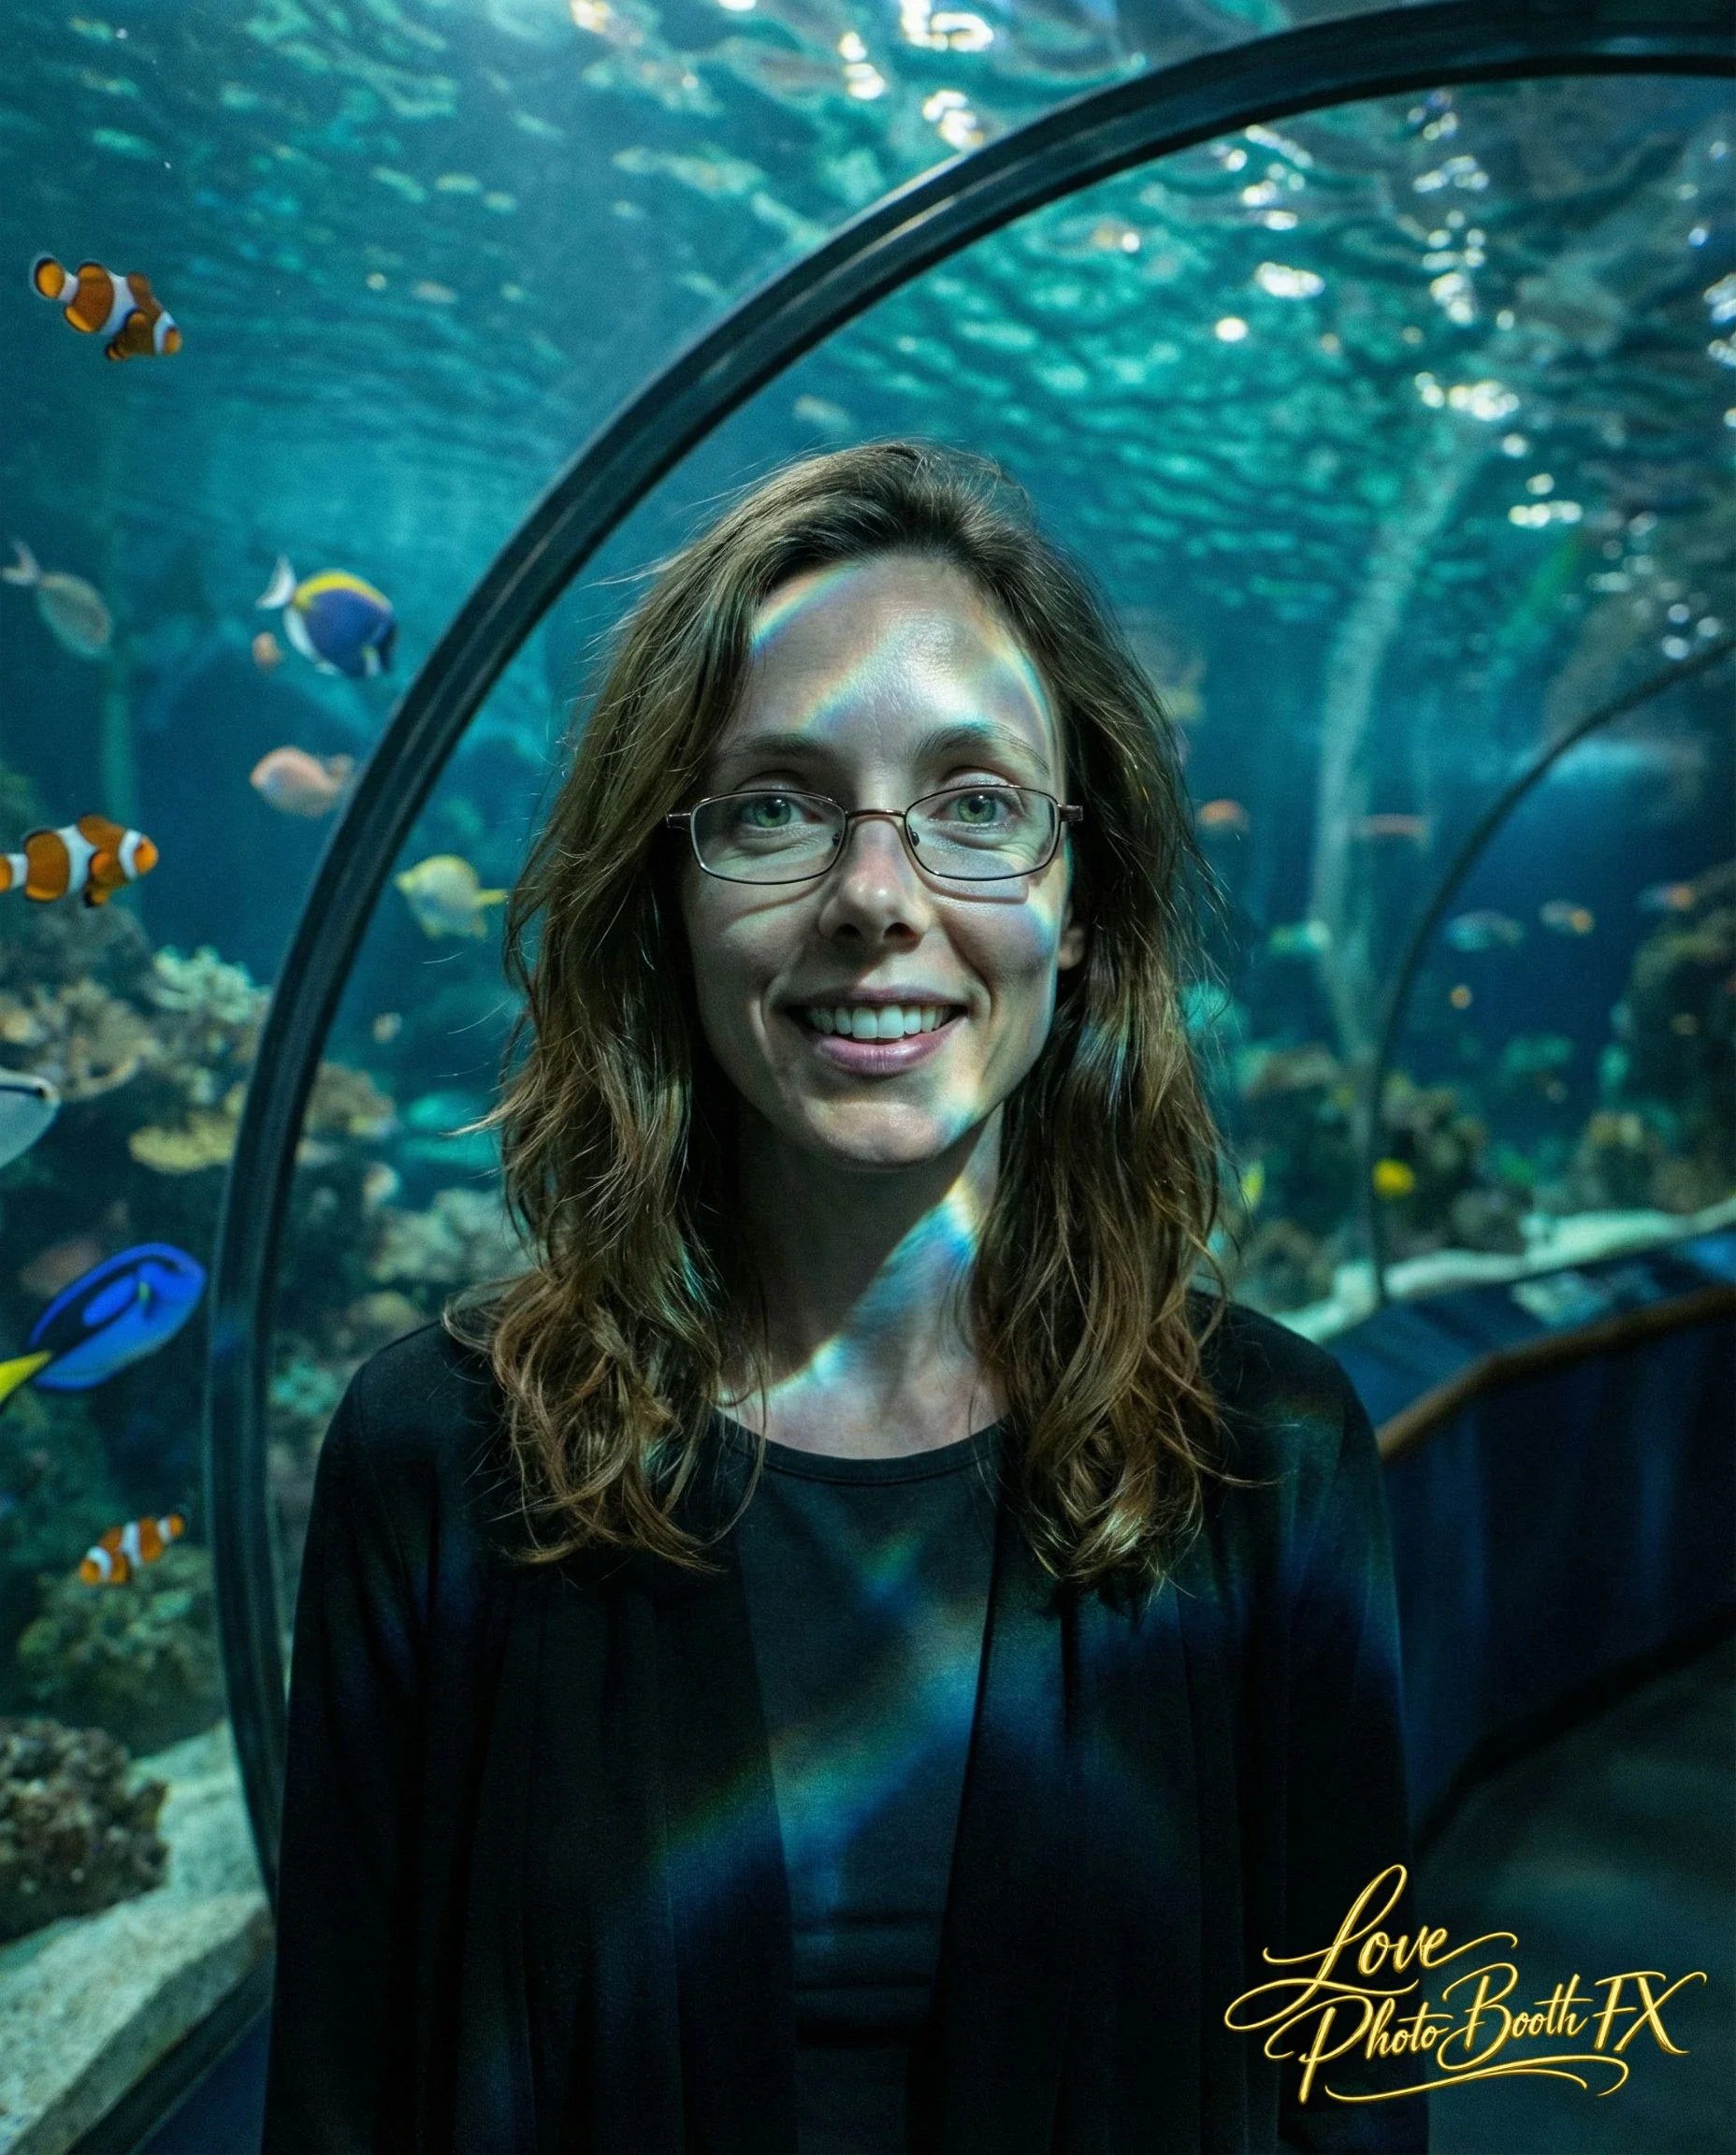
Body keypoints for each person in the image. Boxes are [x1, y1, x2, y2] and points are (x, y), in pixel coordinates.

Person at [261, 441, 1427, 2154]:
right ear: (664, 892)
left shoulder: (1275, 1456)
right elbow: (340, 2102)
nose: (877, 899)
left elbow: (1358, 2096)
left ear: (1083, 901)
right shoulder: (436, 1458)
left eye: (977, 803)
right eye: (775, 807)